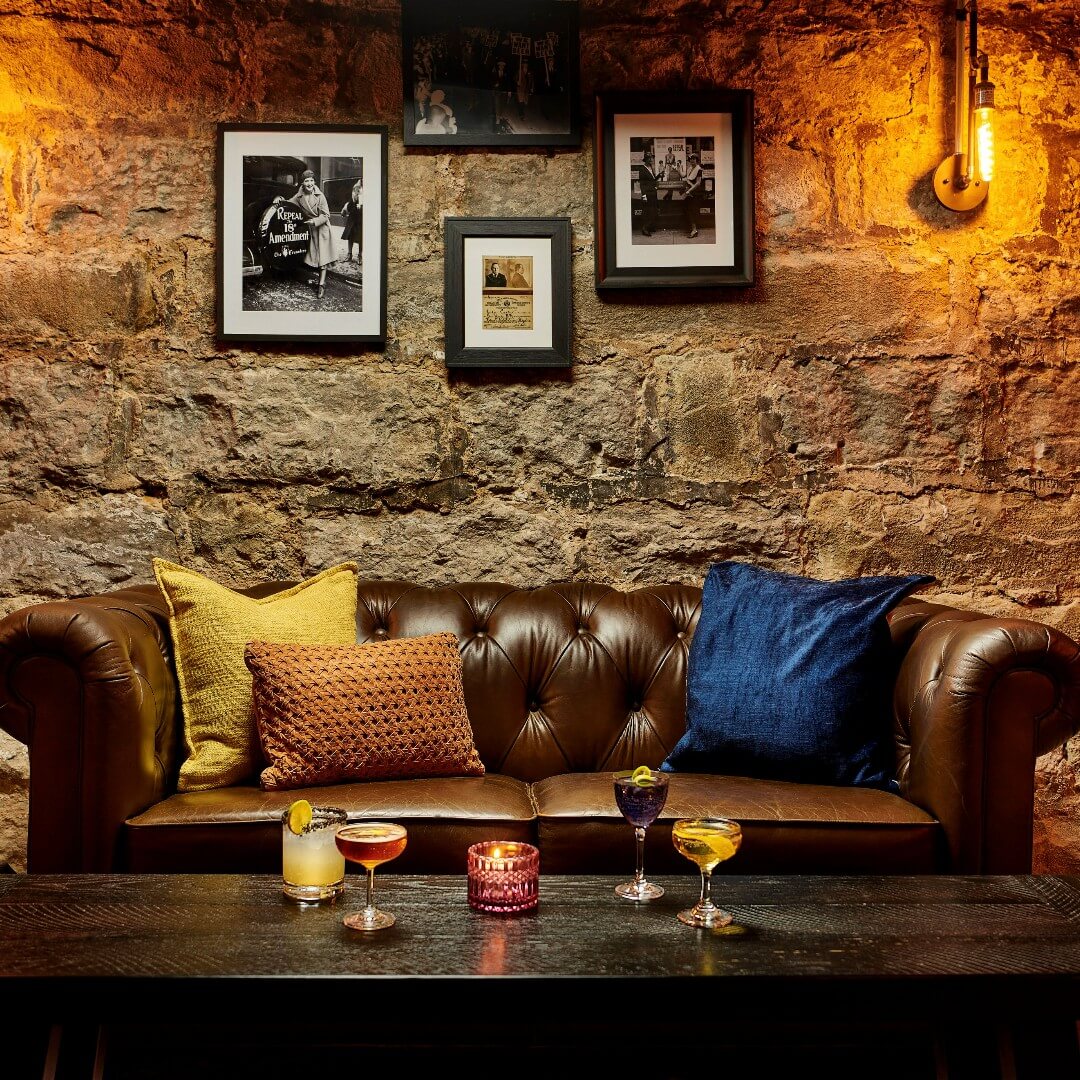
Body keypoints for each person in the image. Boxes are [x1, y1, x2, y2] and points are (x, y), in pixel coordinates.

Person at [273, 169, 334, 298]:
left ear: (314, 182)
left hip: (321, 228)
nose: (310, 183)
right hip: (310, 230)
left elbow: (326, 215)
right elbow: (289, 203)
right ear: (303, 183)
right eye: (307, 181)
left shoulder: (320, 196)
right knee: (312, 257)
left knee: (323, 259)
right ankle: (317, 279)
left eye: (311, 180)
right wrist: (280, 199)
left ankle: (321, 284)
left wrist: (315, 221)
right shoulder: (299, 196)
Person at [637, 148, 659, 237]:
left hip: (653, 192)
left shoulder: (650, 168)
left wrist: (659, 176)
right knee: (649, 211)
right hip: (648, 194)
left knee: (654, 210)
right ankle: (645, 228)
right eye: (649, 158)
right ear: (646, 160)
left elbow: (652, 180)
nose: (651, 160)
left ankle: (650, 227)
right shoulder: (642, 169)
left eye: (652, 158)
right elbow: (642, 184)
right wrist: (644, 195)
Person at [682, 152, 704, 239]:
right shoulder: (689, 168)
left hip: (695, 194)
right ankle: (692, 228)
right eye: (690, 159)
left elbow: (698, 183)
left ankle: (694, 230)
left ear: (697, 160)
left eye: (694, 159)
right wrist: (679, 167)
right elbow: (684, 176)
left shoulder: (699, 170)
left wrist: (689, 191)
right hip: (689, 193)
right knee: (688, 211)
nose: (692, 161)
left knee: (693, 211)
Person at [340, 180, 363, 263]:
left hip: (362, 218)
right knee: (350, 236)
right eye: (357, 190)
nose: (358, 191)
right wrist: (353, 201)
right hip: (353, 218)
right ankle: (349, 254)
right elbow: (349, 207)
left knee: (361, 237)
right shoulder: (355, 190)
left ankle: (360, 255)